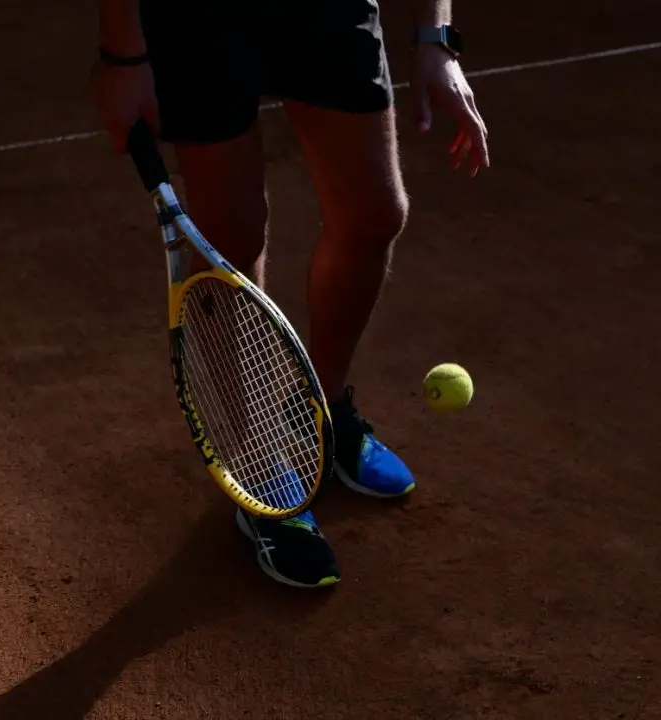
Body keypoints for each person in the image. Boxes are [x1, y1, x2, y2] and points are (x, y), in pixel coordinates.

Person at [89, 0, 489, 589]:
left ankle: (316, 418)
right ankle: (258, 464)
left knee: (375, 213)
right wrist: (123, 53)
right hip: (199, 17)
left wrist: (436, 40)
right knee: (232, 236)